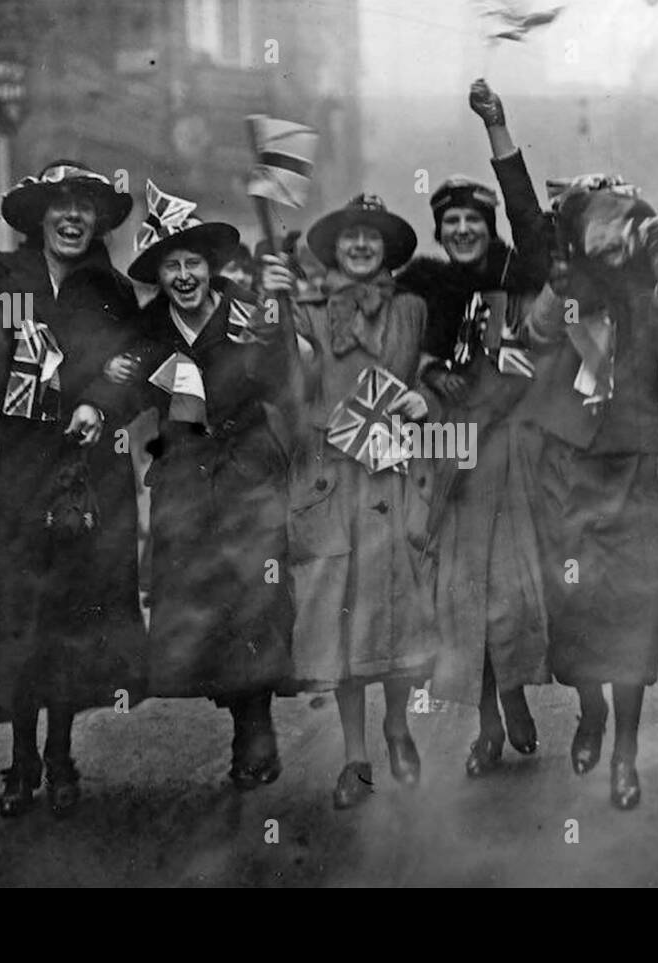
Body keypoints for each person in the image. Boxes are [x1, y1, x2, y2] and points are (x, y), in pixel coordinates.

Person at [0, 161, 146, 818]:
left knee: (71, 617)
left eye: (85, 204)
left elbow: (133, 363)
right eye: (61, 204)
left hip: (83, 476)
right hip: (5, 474)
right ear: (39, 216)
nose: (73, 216)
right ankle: (20, 760)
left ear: (98, 219)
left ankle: (59, 755)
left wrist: (101, 403)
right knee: (13, 617)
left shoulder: (112, 291)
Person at [522, 176, 658, 809]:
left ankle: (625, 751)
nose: (614, 246)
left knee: (633, 613)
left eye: (625, 232)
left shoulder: (649, 294)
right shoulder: (566, 291)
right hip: (570, 469)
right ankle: (589, 712)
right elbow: (537, 321)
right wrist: (498, 128)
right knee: (573, 606)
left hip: (642, 473)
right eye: (601, 232)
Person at [259, 193, 435, 810]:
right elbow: (287, 380)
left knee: (399, 617)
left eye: (373, 237)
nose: (361, 246)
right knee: (341, 625)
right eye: (350, 236)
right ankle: (357, 758)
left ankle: (398, 726)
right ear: (333, 247)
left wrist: (427, 402)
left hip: (392, 479)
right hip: (333, 484)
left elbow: (437, 375)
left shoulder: (413, 308)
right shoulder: (306, 311)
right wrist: (275, 305)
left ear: (387, 249)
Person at [395, 79, 550, 776]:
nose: (462, 232)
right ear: (439, 229)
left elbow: (534, 225)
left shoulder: (514, 277)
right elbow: (397, 357)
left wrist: (498, 129)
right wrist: (430, 377)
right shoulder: (421, 286)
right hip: (449, 455)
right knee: (463, 597)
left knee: (511, 591)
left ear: (489, 229)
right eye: (451, 222)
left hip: (511, 451)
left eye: (474, 222)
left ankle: (515, 692)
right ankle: (487, 722)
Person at [120, 180, 293, 788]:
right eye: (172, 265)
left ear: (211, 267)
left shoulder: (248, 311)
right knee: (206, 606)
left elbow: (280, 382)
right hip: (186, 481)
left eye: (194, 262)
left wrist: (280, 320)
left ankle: (256, 728)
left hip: (248, 472)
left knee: (254, 600)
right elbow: (125, 391)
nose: (185, 275)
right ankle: (237, 706)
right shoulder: (147, 331)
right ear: (160, 274)